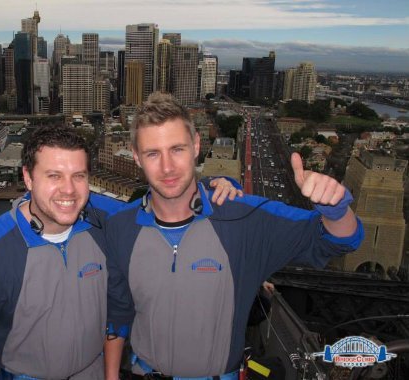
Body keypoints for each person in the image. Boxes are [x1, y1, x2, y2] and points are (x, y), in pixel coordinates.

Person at [0, 126, 240, 380]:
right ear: (27, 178)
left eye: (79, 176)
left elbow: (167, 208)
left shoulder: (107, 220)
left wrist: (216, 186)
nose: (68, 191)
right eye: (53, 176)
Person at [103, 93, 364, 380]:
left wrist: (335, 209)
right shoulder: (120, 227)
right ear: (137, 157)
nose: (167, 167)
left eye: (177, 149)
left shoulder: (245, 220)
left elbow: (338, 240)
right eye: (153, 153)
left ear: (196, 147)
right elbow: (119, 311)